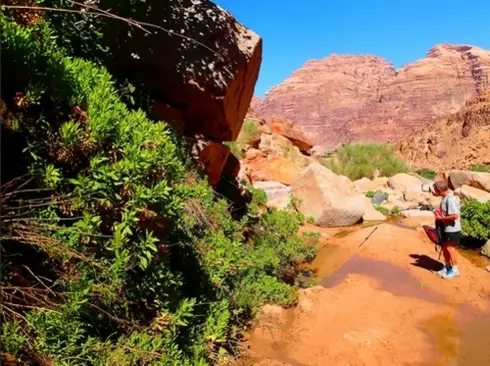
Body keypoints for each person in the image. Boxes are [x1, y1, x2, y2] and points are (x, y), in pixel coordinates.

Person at [432, 181, 462, 279]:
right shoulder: (445, 198)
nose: (434, 191)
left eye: (435, 190)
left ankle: (455, 270)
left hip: (452, 229)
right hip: (446, 228)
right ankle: (447, 266)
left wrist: (441, 219)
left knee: (450, 248)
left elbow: (455, 216)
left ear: (440, 190)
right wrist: (439, 213)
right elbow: (447, 213)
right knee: (445, 247)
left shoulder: (450, 199)